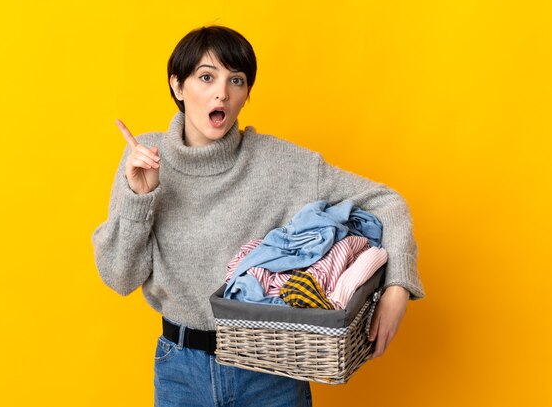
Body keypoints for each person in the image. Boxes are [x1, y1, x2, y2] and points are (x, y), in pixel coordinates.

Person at [92, 25, 424, 407]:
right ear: (178, 86)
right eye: (206, 77)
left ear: (246, 94)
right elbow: (119, 278)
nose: (222, 92)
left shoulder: (280, 163)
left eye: (236, 80)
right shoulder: (144, 156)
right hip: (180, 370)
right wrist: (141, 196)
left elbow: (387, 201)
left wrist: (397, 287)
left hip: (269, 372)